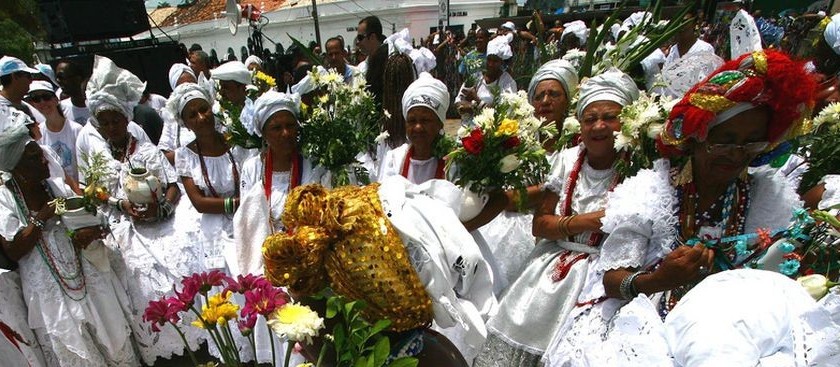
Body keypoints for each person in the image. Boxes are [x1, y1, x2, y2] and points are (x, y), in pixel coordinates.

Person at [542, 50, 816, 366]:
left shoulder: (769, 196)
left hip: (739, 330)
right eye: (723, 141)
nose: (736, 153)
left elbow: (779, 278)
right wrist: (660, 280)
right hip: (647, 320)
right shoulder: (651, 191)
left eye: (750, 142)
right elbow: (613, 280)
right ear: (697, 136)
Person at [474, 68, 636, 367]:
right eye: (589, 119)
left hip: (606, 271)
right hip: (553, 265)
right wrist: (588, 221)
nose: (599, 126)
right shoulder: (566, 159)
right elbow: (540, 224)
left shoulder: (638, 165)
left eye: (610, 118)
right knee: (521, 321)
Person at [0, 106, 139, 366]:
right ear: (17, 168)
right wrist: (43, 215)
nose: (44, 160)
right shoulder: (5, 199)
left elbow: (87, 218)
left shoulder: (53, 186)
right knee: (73, 345)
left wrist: (91, 230)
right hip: (48, 287)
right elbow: (13, 249)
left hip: (83, 271)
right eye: (34, 158)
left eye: (41, 154)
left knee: (109, 331)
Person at [377, 72, 450, 184]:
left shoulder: (453, 163)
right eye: (412, 121)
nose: (418, 127)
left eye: (425, 120)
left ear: (440, 123)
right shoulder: (395, 159)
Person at [26, 80, 83, 183]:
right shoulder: (39, 134)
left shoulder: (76, 130)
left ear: (56, 100)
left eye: (46, 97)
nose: (42, 102)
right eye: (36, 99)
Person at [455, 33, 517, 115]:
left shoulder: (507, 82)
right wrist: (475, 107)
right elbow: (459, 102)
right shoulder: (475, 77)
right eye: (489, 60)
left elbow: (502, 112)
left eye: (495, 61)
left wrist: (476, 100)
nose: (491, 64)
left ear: (501, 62)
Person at [159, 64, 198, 164]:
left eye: (191, 84)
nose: (188, 90)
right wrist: (189, 153)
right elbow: (164, 155)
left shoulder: (211, 110)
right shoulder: (171, 116)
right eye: (182, 87)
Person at [356, 15, 388, 106]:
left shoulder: (389, 62)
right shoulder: (363, 66)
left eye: (360, 37)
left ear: (373, 37)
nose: (357, 42)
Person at [55, 59, 92, 125]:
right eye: (57, 77)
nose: (58, 81)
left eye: (61, 77)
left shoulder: (97, 106)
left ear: (77, 78)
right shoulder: (61, 109)